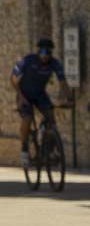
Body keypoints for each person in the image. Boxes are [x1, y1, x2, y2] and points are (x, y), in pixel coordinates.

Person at [11, 38, 70, 168]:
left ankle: (50, 149)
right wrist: (20, 96)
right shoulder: (28, 60)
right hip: (24, 94)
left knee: (51, 118)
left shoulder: (54, 63)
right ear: (38, 52)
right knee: (26, 118)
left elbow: (63, 82)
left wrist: (68, 98)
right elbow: (14, 78)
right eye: (42, 53)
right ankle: (24, 149)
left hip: (40, 94)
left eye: (48, 53)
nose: (45, 56)